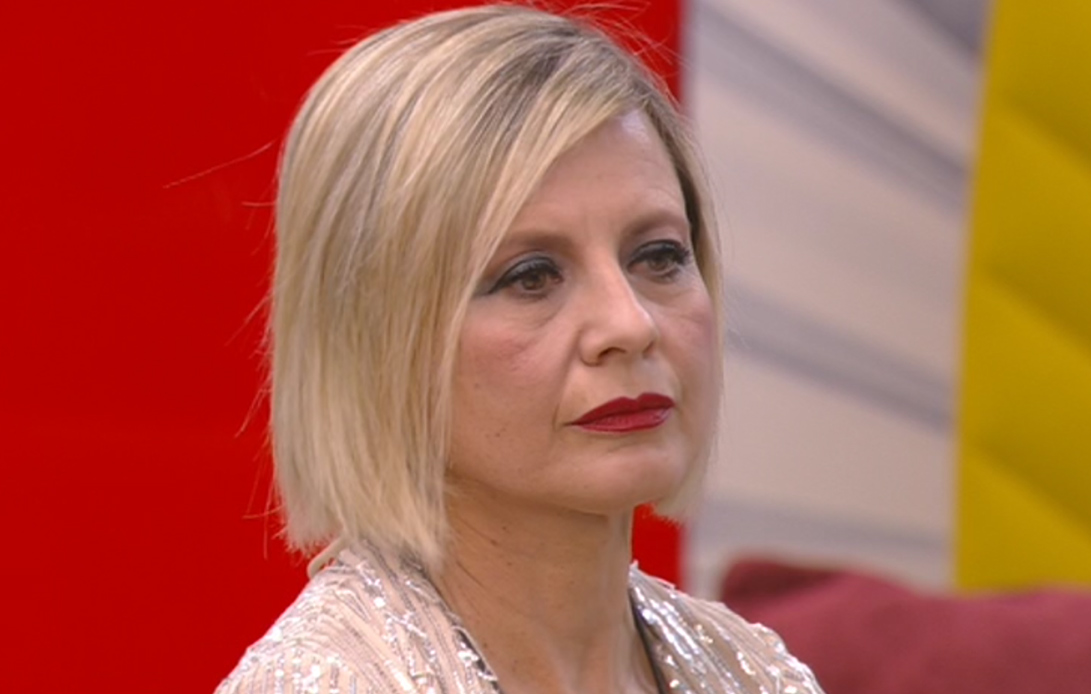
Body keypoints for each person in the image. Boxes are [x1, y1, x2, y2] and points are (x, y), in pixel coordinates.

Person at [217, 5, 825, 693]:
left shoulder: (757, 673)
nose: (629, 324)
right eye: (531, 276)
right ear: (378, 339)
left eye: (658, 256)